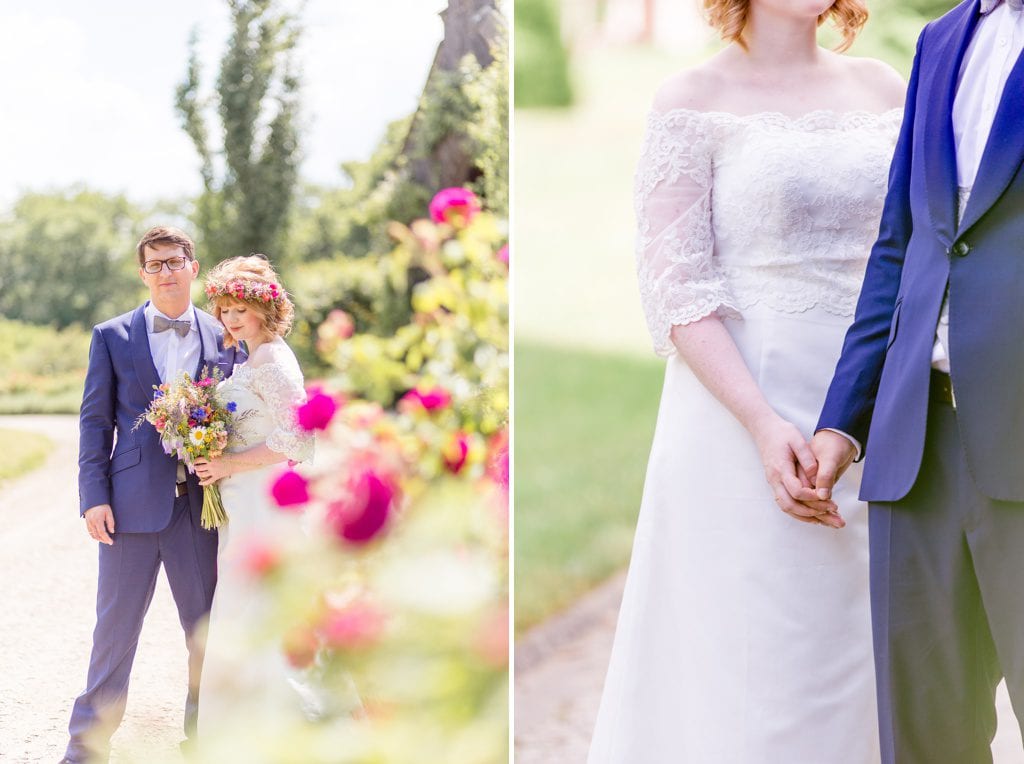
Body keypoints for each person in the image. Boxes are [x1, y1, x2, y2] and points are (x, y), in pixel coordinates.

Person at [587, 1, 905, 761]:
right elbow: (680, 287)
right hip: (744, 407)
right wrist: (763, 424)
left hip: (879, 399)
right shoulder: (691, 99)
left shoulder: (888, 89)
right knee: (761, 649)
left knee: (867, 652)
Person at [810, 0, 1024, 760]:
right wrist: (845, 419)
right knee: (927, 740)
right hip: (917, 449)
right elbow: (901, 242)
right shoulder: (939, 40)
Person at [63, 227, 244, 763]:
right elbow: (94, 424)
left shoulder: (224, 335)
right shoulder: (111, 336)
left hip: (201, 509)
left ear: (192, 266)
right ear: (143, 274)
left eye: (175, 261)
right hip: (127, 510)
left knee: (205, 636)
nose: (166, 271)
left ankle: (203, 742)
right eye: (155, 264)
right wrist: (93, 496)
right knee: (114, 636)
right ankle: (86, 748)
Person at [191, 255, 317, 736]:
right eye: (224, 310)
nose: (230, 318)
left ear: (265, 309)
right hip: (241, 505)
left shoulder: (273, 361)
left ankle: (279, 726)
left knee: (260, 601)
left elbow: (299, 440)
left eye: (240, 308)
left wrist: (227, 463)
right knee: (243, 601)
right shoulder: (253, 357)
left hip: (264, 503)